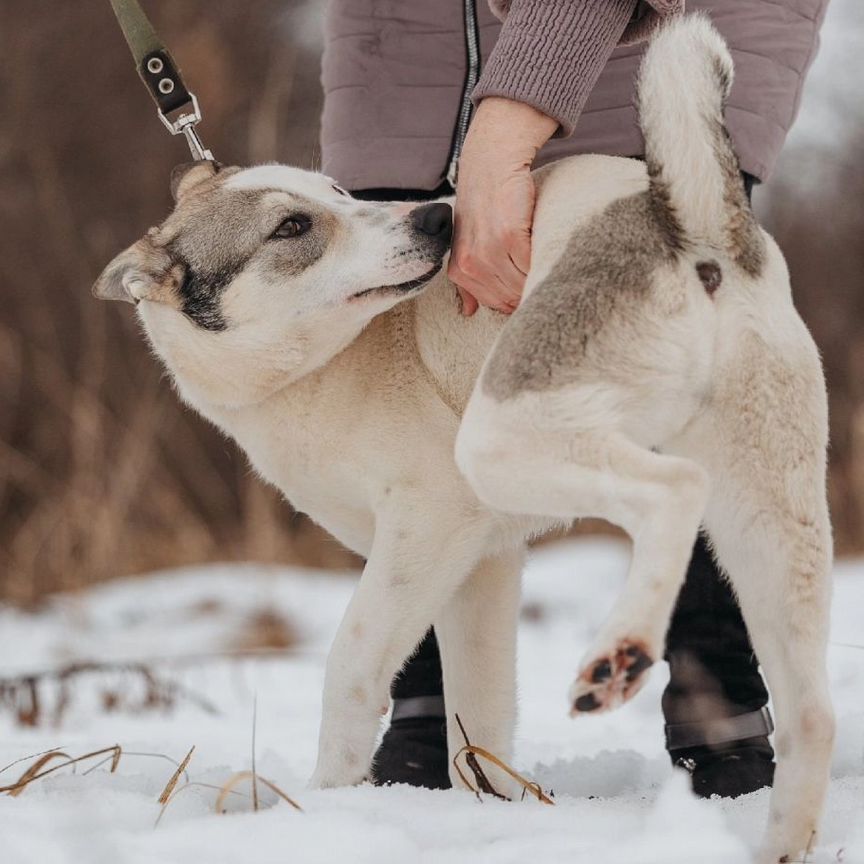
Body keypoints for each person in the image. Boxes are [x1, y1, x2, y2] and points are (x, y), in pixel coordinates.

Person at [319, 0, 829, 797]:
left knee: (677, 345)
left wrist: (505, 127)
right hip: (404, 61)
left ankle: (715, 689)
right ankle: (433, 703)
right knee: (415, 395)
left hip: (644, 37)